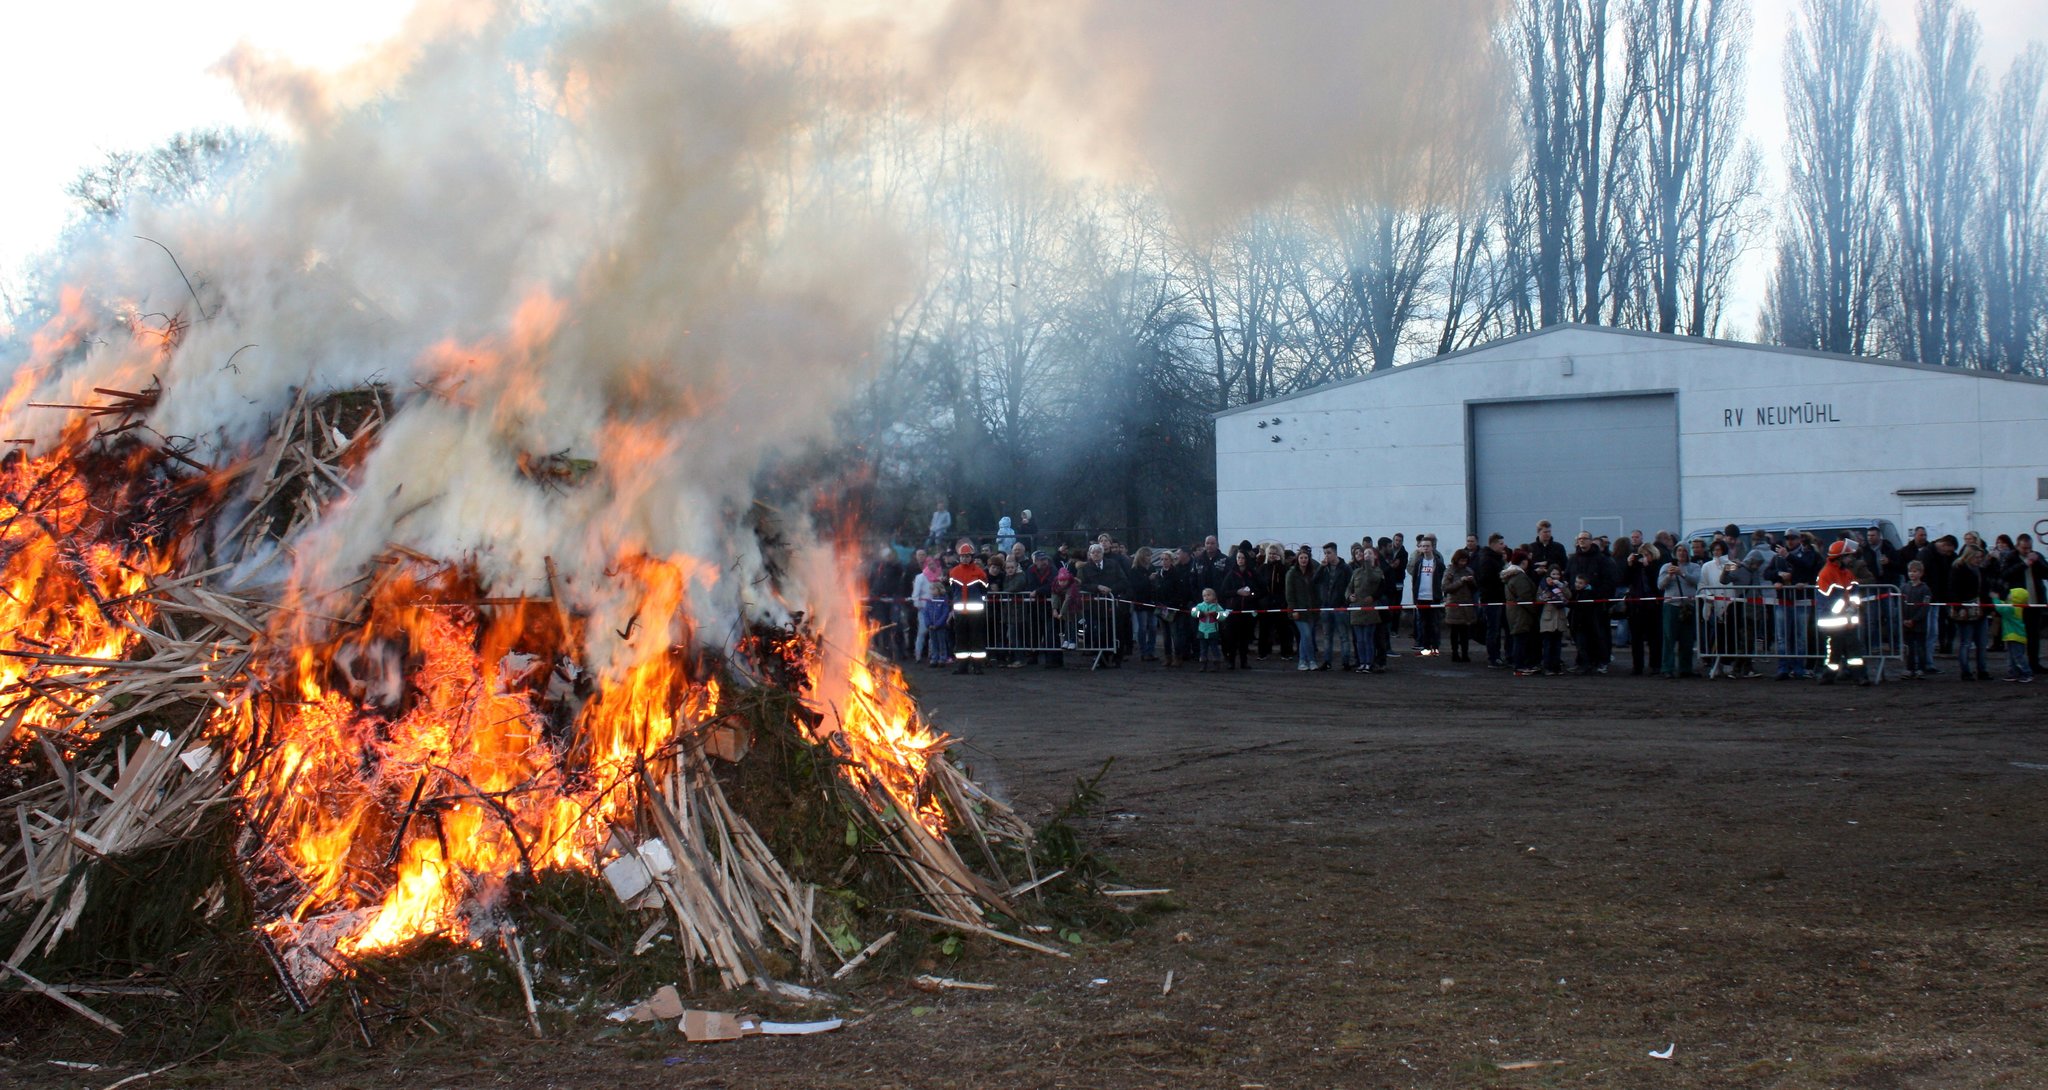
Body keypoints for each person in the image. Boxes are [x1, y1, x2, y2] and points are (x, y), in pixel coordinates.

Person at [1814, 539, 1867, 685]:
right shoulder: (1826, 574)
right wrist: (1848, 608)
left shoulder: (1846, 573)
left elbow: (1854, 592)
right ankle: (1856, 676)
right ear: (1839, 558)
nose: (1851, 558)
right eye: (1848, 556)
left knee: (1846, 649)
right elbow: (1828, 601)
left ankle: (1835, 676)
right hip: (1833, 622)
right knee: (1839, 650)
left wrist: (1853, 606)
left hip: (1845, 619)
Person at [1566, 530, 1615, 674]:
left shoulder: (1601, 559)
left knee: (1598, 634)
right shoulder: (1573, 559)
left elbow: (1609, 581)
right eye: (1579, 538)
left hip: (1595, 605)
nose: (1582, 541)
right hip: (1577, 605)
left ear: (1591, 541)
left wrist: (1598, 595)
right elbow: (1568, 577)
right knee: (1579, 636)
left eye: (1585, 538)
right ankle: (1582, 661)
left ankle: (1601, 661)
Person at [2003, 535, 2047, 673]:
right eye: (2024, 548)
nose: (2027, 550)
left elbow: (2046, 574)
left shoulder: (2037, 556)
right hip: (2017, 603)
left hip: (2035, 601)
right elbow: (2005, 574)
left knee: (2034, 635)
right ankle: (2017, 665)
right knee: (2017, 636)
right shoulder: (2010, 557)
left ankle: (2034, 663)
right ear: (2017, 546)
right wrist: (2024, 564)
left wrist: (2037, 562)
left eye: (2029, 547)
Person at [1658, 546, 1701, 679]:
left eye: (1684, 551)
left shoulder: (1694, 567)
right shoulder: (1666, 567)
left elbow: (1696, 580)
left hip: (1688, 607)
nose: (1682, 553)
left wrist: (1682, 573)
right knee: (1669, 638)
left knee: (1687, 639)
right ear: (1675, 553)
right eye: (1679, 551)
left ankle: (1685, 668)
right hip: (1671, 606)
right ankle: (1667, 668)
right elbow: (1660, 585)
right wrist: (1669, 576)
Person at [947, 544, 990, 675]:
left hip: (975, 612)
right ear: (959, 557)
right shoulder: (954, 572)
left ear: (971, 557)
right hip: (960, 612)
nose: (965, 558)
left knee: (977, 638)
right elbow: (952, 590)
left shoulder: (979, 572)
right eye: (963, 556)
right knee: (961, 638)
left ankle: (978, 666)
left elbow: (985, 589)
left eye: (967, 556)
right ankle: (962, 666)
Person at [1951, 545, 1991, 681]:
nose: (1979, 560)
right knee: (1966, 642)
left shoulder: (1982, 570)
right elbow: (1953, 590)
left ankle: (1982, 670)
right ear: (1969, 556)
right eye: (1976, 557)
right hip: (1965, 610)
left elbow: (1985, 589)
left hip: (1981, 610)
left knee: (1982, 643)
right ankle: (1966, 671)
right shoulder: (1958, 569)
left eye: (1980, 557)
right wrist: (1959, 608)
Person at [1626, 543, 1664, 675]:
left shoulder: (1658, 566)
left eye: (1647, 555)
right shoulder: (1636, 567)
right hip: (1636, 605)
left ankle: (1655, 665)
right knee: (1636, 638)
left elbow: (1657, 585)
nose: (1644, 557)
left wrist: (1648, 568)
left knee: (1655, 637)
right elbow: (1625, 580)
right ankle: (1637, 666)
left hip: (1653, 605)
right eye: (1642, 555)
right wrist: (1629, 565)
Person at [1346, 546, 1385, 673]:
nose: (1366, 555)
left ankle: (1369, 663)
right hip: (1356, 609)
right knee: (1359, 640)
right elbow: (1349, 587)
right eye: (1365, 553)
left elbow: (1371, 579)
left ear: (1375, 556)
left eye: (1369, 553)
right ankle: (1362, 663)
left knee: (1368, 639)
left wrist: (1368, 564)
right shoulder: (1356, 572)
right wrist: (1349, 596)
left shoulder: (1378, 571)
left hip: (1370, 610)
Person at [1313, 543, 1351, 670]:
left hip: (1340, 606)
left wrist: (1346, 603)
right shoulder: (1324, 568)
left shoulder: (1345, 568)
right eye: (1325, 553)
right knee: (1327, 636)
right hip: (1326, 606)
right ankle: (1327, 662)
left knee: (1343, 636)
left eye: (1329, 553)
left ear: (1335, 553)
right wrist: (1321, 567)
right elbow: (1315, 581)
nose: (1326, 556)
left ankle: (1345, 662)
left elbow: (1350, 586)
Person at [1224, 548, 1263, 669]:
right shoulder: (1231, 574)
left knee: (1244, 637)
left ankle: (1244, 661)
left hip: (1247, 610)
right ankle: (1231, 661)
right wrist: (1237, 592)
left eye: (1242, 558)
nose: (1240, 560)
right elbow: (1224, 591)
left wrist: (1251, 595)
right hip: (1234, 611)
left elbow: (1261, 590)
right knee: (1231, 637)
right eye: (1238, 558)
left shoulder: (1252, 574)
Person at [1503, 550, 1539, 676]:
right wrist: (1535, 610)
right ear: (1524, 562)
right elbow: (1525, 597)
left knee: (1519, 639)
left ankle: (1520, 666)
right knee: (1521, 640)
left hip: (1515, 612)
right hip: (1522, 613)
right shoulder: (1519, 577)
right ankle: (1520, 667)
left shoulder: (1510, 575)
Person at [1285, 547, 1320, 671]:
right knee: (1306, 635)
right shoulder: (1292, 574)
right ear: (1297, 559)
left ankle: (1304, 661)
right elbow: (1289, 594)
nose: (1304, 560)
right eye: (1301, 558)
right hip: (1299, 611)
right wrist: (1293, 609)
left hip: (1312, 611)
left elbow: (1316, 591)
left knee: (1306, 637)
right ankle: (1309, 660)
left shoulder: (1312, 572)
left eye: (1306, 558)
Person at [1477, 533, 1508, 668]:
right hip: (1492, 600)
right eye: (1501, 544)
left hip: (1499, 599)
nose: (1503, 546)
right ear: (1493, 544)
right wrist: (1502, 577)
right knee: (1493, 630)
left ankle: (1499, 656)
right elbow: (1485, 580)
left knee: (1499, 629)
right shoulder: (1487, 560)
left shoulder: (1497, 559)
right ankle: (1493, 657)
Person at [1410, 534, 1444, 655]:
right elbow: (1415, 580)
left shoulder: (1438, 563)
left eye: (1427, 546)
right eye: (1423, 546)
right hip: (1421, 597)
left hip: (1434, 597)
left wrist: (1441, 594)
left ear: (1432, 547)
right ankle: (1426, 647)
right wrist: (1415, 596)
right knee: (1423, 624)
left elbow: (1442, 579)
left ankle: (1435, 647)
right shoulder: (1419, 563)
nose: (1425, 548)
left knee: (1434, 623)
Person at [913, 557, 950, 668]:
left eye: (934, 564)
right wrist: (918, 605)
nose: (932, 566)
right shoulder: (920, 577)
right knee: (922, 632)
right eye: (929, 564)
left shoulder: (939, 576)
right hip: (924, 608)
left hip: (937, 609)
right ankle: (918, 655)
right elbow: (916, 593)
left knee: (936, 638)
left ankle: (935, 656)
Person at [1443, 550, 1478, 663]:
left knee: (1464, 632)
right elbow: (1446, 587)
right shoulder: (1450, 571)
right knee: (1454, 631)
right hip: (1454, 604)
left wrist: (1471, 581)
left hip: (1466, 605)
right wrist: (1460, 581)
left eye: (1465, 560)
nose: (1463, 563)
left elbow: (1475, 589)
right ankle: (1454, 653)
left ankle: (1465, 654)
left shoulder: (1469, 571)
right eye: (1461, 560)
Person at [1537, 562, 1571, 675]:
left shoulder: (1563, 584)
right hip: (1548, 618)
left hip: (1559, 618)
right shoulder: (1543, 585)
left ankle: (1556, 667)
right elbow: (1538, 598)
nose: (1556, 576)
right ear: (1549, 574)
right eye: (1553, 574)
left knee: (1557, 645)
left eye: (1557, 574)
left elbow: (1569, 596)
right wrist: (1546, 594)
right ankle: (1547, 667)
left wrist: (1562, 586)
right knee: (1548, 645)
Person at [1900, 561, 1933, 679]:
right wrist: (1904, 619)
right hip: (1906, 623)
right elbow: (1900, 604)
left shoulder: (1925, 589)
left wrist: (1914, 620)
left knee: (1920, 647)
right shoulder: (1904, 587)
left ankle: (1921, 669)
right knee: (1908, 648)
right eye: (1910, 571)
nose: (1912, 574)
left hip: (1919, 624)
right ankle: (1909, 668)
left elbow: (1925, 607)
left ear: (1921, 573)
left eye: (1915, 571)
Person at [1996, 589, 2034, 683]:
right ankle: (2014, 673)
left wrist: (1995, 599)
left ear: (2015, 598)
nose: (2008, 595)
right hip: (2013, 635)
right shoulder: (2015, 607)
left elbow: (2001, 609)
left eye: (2011, 594)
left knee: (2018, 656)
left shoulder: (2012, 608)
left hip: (2015, 635)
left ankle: (2027, 673)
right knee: (2012, 656)